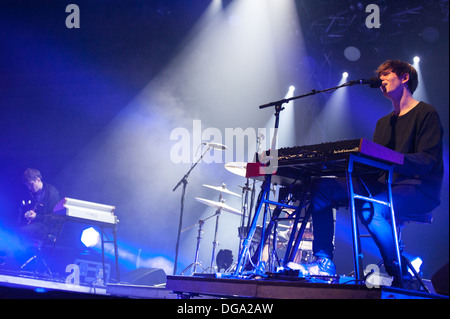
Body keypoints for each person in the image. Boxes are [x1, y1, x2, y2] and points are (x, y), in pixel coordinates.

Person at [288, 60, 444, 286]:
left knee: (371, 207)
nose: (381, 80)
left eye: (387, 74)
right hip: (384, 185)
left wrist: (393, 160)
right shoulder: (383, 124)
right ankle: (323, 261)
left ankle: (399, 272)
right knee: (322, 188)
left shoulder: (426, 114)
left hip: (418, 188)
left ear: (405, 77)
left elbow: (428, 160)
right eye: (380, 76)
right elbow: (375, 167)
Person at [20, 168, 62, 243]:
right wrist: (30, 213)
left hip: (50, 226)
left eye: (31, 184)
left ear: (38, 180)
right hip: (40, 223)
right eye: (28, 185)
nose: (29, 188)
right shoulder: (33, 193)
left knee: (23, 231)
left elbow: (55, 218)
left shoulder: (51, 194)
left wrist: (36, 216)